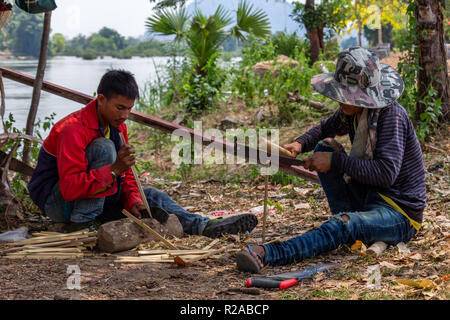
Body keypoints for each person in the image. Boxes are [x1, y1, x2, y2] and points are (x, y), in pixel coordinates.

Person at [235, 47, 426, 273]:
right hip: (369, 197)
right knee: (324, 145)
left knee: (341, 223)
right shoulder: (352, 111)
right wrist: (299, 144)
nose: (341, 101)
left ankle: (270, 253)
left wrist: (336, 161)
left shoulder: (390, 117)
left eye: (348, 95)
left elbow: (385, 174)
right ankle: (349, 225)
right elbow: (325, 128)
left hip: (399, 213)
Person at [28, 69, 257, 237]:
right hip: (58, 203)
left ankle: (204, 226)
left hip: (94, 192)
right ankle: (83, 225)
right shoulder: (72, 129)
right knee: (104, 148)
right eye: (120, 107)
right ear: (101, 100)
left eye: (129, 109)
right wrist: (115, 169)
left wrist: (133, 199)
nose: (125, 115)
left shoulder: (117, 126)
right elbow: (69, 189)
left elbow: (126, 174)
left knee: (152, 197)